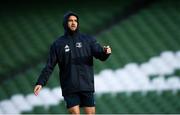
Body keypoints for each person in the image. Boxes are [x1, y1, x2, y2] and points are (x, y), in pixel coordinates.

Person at [34, 11, 111, 114]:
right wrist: (40, 82)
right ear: (65, 23)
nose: (73, 23)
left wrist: (105, 52)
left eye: (75, 21)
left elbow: (100, 55)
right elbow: (49, 65)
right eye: (70, 20)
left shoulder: (88, 40)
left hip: (86, 85)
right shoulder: (58, 44)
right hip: (69, 87)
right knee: (75, 113)